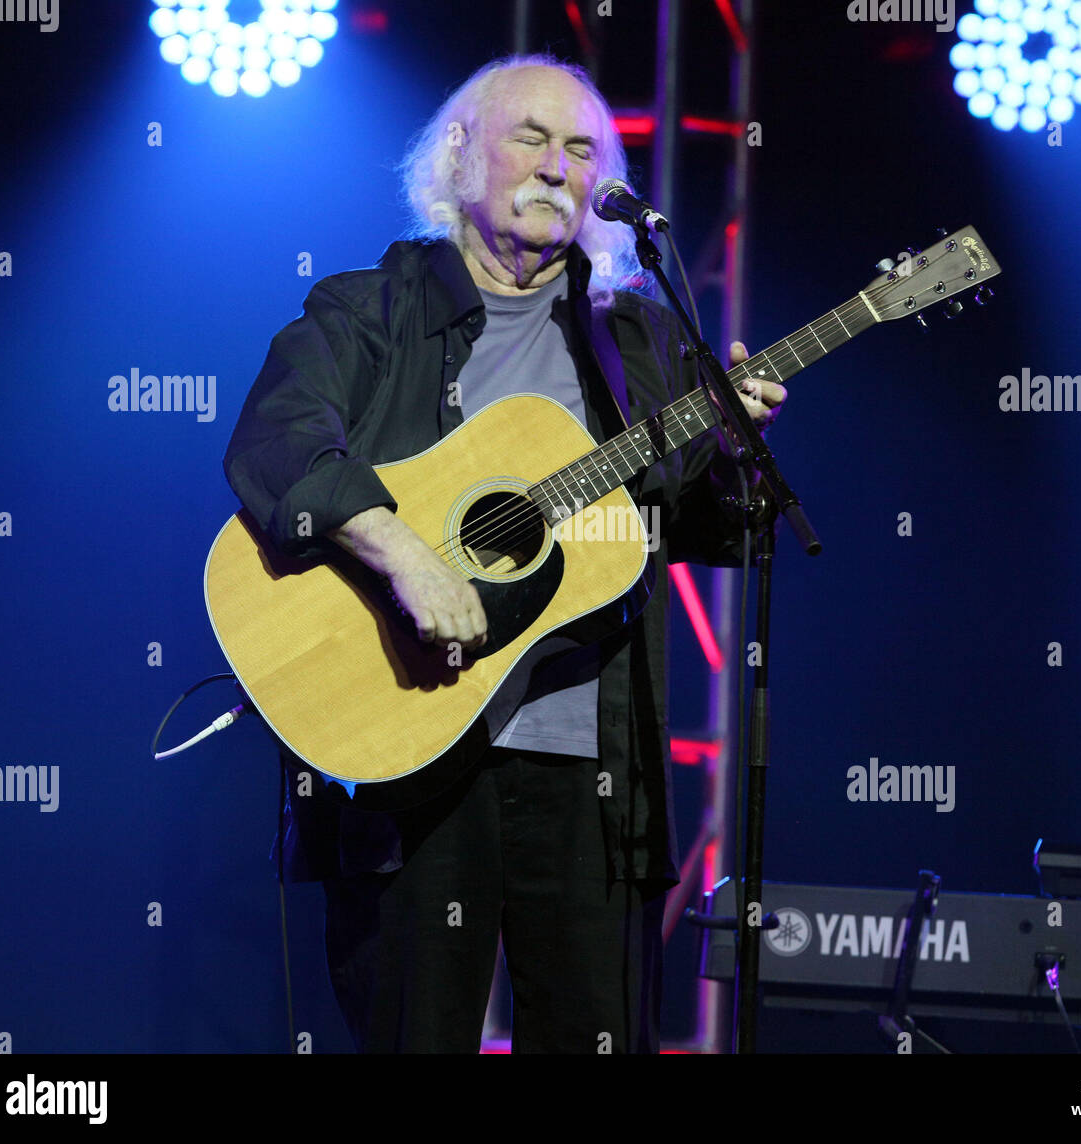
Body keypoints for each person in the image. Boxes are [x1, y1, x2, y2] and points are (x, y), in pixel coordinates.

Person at [222, 53, 786, 1053]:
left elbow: (714, 530)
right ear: (458, 152)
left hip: (593, 773)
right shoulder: (369, 312)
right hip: (412, 755)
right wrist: (398, 544)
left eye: (580, 149)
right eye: (530, 137)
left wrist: (735, 448)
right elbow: (277, 440)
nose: (557, 166)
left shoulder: (643, 343)